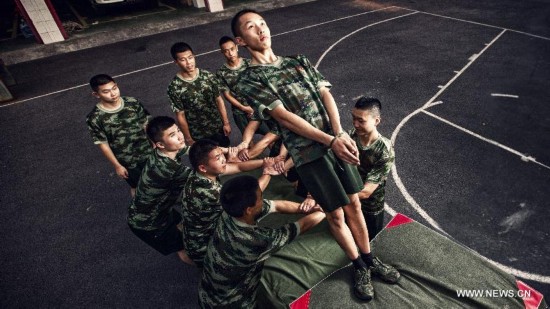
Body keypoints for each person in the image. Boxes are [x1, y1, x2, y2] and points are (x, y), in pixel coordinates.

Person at [231, 9, 400, 300]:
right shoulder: (248, 80)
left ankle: (370, 259)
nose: (260, 30)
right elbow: (283, 117)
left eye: (262, 23)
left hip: (334, 144)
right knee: (335, 215)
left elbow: (326, 94)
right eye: (250, 27)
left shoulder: (298, 61)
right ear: (240, 40)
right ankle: (358, 266)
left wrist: (339, 134)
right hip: (308, 155)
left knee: (354, 207)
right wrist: (329, 140)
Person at [198, 175, 325, 308]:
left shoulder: (229, 213)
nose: (262, 199)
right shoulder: (256, 240)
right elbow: (301, 226)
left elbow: (276, 206)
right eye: (260, 197)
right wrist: (325, 211)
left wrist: (305, 208)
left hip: (207, 294)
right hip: (230, 304)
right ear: (249, 210)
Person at [181, 138, 289, 267]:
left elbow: (238, 166)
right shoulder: (210, 192)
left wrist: (265, 162)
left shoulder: (199, 173)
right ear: (203, 167)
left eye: (221, 154)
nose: (223, 159)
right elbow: (250, 195)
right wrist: (268, 172)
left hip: (196, 233)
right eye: (217, 158)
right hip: (205, 246)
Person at [127, 116, 193, 265]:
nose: (180, 135)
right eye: (172, 135)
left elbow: (192, 150)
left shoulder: (164, 152)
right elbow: (209, 175)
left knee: (181, 228)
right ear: (159, 144)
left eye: (177, 130)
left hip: (161, 210)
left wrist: (226, 150)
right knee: (183, 250)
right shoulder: (168, 168)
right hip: (149, 223)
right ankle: (210, 274)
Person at [86, 74, 152, 196]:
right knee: (138, 188)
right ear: (96, 94)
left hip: (148, 152)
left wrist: (155, 144)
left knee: (160, 180)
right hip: (127, 160)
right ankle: (141, 212)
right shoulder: (95, 118)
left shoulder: (132, 103)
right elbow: (103, 144)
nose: (113, 94)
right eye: (106, 92)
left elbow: (146, 125)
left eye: (114, 88)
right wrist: (117, 166)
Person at [167, 42, 231, 147]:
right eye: (183, 60)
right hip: (198, 135)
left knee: (226, 156)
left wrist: (226, 123)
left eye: (190, 57)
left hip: (217, 128)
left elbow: (219, 100)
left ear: (194, 56)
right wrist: (188, 138)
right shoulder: (174, 87)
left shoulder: (208, 76)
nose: (188, 63)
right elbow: (180, 115)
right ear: (176, 62)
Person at [350, 97, 395, 239]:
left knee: (370, 241)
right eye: (353, 118)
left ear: (376, 121)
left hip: (370, 208)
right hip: (350, 199)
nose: (355, 124)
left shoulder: (384, 151)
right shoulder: (352, 135)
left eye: (361, 121)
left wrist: (334, 197)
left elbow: (366, 192)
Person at [216, 36, 270, 137]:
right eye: (226, 51)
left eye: (232, 49)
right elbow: (227, 95)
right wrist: (244, 108)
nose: (230, 53)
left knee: (269, 136)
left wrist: (255, 107)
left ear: (236, 47)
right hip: (240, 112)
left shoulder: (249, 64)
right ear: (222, 52)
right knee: (248, 142)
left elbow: (260, 87)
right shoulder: (221, 72)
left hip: (257, 108)